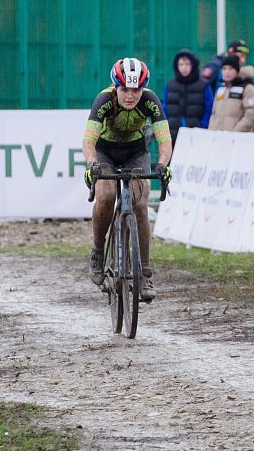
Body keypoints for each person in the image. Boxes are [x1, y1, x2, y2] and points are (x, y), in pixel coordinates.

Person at [83, 57, 173, 302]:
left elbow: (164, 139)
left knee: (140, 205)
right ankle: (98, 251)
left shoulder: (150, 101)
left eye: (136, 90)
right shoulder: (104, 100)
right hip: (105, 151)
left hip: (136, 151)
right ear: (115, 88)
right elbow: (89, 140)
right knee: (106, 195)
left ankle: (144, 273)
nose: (130, 96)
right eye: (124, 90)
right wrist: (92, 164)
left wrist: (163, 164)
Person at [162, 49, 213, 143]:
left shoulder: (203, 85)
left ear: (193, 65)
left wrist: (203, 126)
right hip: (173, 134)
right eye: (181, 64)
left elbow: (209, 107)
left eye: (187, 64)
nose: (184, 68)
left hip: (196, 135)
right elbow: (165, 107)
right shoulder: (170, 85)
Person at [207, 54, 254, 132]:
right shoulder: (221, 89)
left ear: (237, 70)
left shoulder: (248, 88)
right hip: (218, 138)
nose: (227, 72)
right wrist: (211, 131)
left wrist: (236, 132)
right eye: (224, 69)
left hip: (238, 139)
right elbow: (214, 114)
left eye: (231, 69)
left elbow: (252, 114)